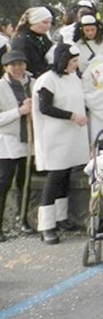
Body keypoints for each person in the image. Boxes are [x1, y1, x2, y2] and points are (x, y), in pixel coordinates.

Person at [32, 44, 90, 244]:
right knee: (54, 177)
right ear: (63, 60)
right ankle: (46, 225)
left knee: (65, 175)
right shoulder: (47, 80)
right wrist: (72, 116)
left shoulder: (73, 77)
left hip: (71, 135)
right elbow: (45, 107)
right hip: (54, 136)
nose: (76, 65)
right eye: (73, 61)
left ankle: (60, 218)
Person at [0, 51, 35, 241]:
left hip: (28, 140)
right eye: (13, 65)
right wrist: (18, 111)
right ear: (6, 67)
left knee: (25, 181)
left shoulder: (33, 83)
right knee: (4, 182)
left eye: (21, 64)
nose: (17, 68)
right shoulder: (1, 87)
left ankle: (23, 219)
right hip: (7, 141)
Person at [11, 6, 54, 78]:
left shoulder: (42, 36)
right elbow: (34, 67)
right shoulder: (24, 41)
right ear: (34, 22)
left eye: (50, 22)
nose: (48, 26)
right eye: (45, 22)